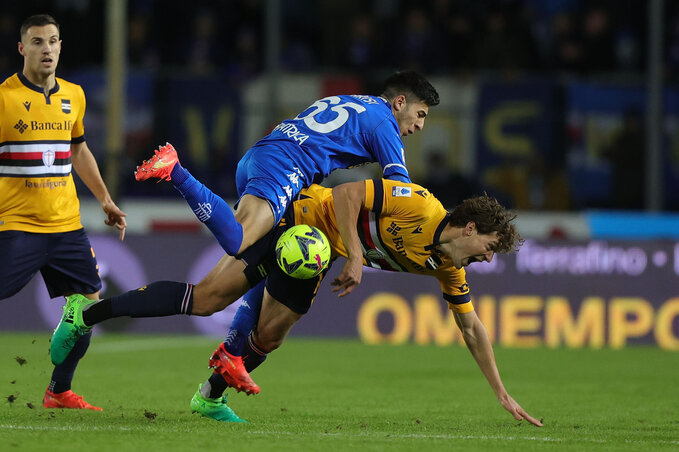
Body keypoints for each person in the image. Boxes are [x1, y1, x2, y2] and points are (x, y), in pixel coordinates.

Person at [51, 176, 541, 427]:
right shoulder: (419, 205)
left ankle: (209, 394)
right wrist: (352, 254)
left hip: (313, 253)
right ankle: (86, 313)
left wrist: (501, 392)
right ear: (472, 229)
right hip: (298, 219)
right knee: (205, 301)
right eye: (490, 248)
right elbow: (348, 194)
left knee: (268, 336)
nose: (489, 259)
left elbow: (472, 327)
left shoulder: (448, 267)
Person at [133, 71, 439, 393]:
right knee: (238, 239)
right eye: (420, 114)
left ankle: (229, 359)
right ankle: (176, 171)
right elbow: (401, 192)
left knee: (267, 257)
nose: (419, 125)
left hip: (269, 157)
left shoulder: (358, 104)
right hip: (285, 168)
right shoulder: (384, 123)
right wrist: (430, 227)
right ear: (400, 102)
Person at [0, 14, 127, 411]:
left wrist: (105, 199)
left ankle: (59, 391)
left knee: (88, 308)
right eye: (37, 42)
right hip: (18, 226)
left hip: (67, 227)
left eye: (53, 41)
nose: (47, 49)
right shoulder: (4, 98)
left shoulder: (74, 94)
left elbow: (78, 150)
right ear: (22, 49)